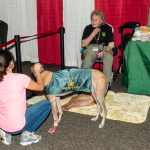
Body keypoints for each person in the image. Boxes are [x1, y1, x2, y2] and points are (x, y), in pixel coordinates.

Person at [0, 50, 51, 146]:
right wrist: (37, 71)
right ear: (11, 63)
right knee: (46, 104)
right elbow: (40, 87)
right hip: (17, 126)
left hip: (2, 124)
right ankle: (27, 134)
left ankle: (4, 132)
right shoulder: (20, 78)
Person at [81, 9, 114, 86]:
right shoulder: (88, 28)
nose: (93, 21)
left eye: (96, 20)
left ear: (101, 21)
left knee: (109, 57)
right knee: (88, 57)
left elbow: (111, 44)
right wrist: (93, 33)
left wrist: (104, 51)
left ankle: (106, 83)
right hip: (91, 48)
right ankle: (84, 81)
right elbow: (83, 44)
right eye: (92, 19)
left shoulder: (107, 28)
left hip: (105, 47)